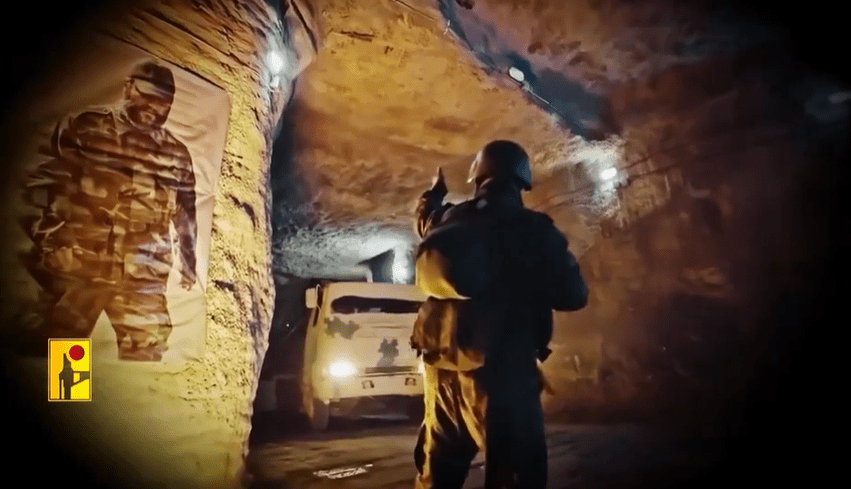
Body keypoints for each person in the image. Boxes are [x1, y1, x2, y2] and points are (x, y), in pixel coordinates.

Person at [411, 140, 588, 489]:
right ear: (521, 182)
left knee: (437, 477)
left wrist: (432, 195)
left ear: (478, 177)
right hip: (502, 376)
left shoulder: (448, 219)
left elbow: (425, 221)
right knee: (518, 477)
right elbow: (574, 295)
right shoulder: (533, 230)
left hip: (440, 376)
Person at [20, 60, 197, 361]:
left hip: (142, 275)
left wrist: (189, 263)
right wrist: (53, 241)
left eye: (164, 103)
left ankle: (134, 407)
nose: (154, 108)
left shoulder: (177, 154)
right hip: (82, 265)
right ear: (128, 87)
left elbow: (186, 212)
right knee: (65, 354)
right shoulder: (85, 126)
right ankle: (67, 401)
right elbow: (47, 184)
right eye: (148, 96)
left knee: (147, 359)